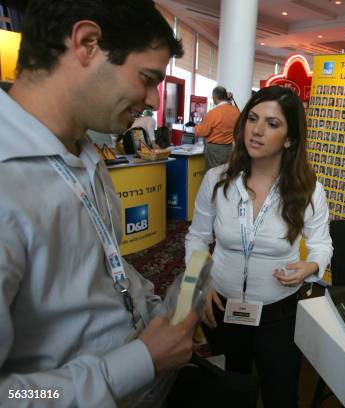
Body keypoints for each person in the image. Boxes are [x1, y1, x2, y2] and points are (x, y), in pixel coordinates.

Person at [0, 1, 202, 406]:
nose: (150, 99)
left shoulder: (85, 155)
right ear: (87, 43)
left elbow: (103, 269)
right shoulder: (8, 184)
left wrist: (157, 321)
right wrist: (134, 363)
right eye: (147, 78)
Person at [185, 86, 333, 407]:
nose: (257, 130)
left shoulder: (307, 190)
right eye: (252, 118)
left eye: (272, 123)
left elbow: (321, 244)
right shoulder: (216, 180)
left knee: (280, 393)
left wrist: (311, 266)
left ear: (290, 139)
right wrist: (200, 279)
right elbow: (196, 236)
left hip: (278, 312)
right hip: (222, 308)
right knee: (230, 390)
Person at [196, 85, 240, 170]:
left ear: (215, 97)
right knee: (225, 174)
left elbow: (202, 132)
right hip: (229, 148)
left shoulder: (213, 113)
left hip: (214, 150)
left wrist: (197, 127)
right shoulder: (235, 111)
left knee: (213, 175)